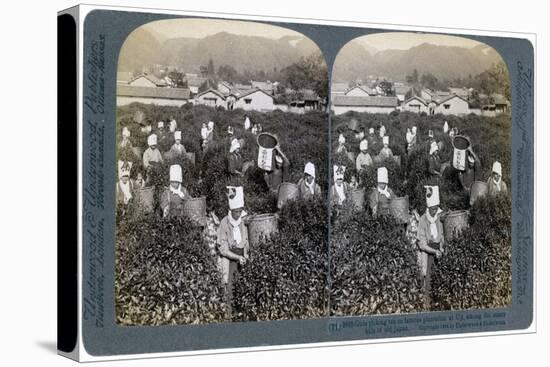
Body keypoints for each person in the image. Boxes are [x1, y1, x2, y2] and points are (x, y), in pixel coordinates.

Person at [217, 186, 249, 311]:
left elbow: (247, 241)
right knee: (230, 286)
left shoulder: (243, 221)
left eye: (240, 211)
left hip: (243, 257)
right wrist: (237, 257)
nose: (238, 214)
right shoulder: (225, 223)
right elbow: (223, 249)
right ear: (231, 210)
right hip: (231, 259)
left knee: (244, 285)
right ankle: (230, 313)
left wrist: (245, 255)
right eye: (236, 212)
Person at [416, 185, 445, 308]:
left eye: (436, 208)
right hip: (428, 253)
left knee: (440, 277)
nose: (434, 211)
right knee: (428, 278)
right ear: (429, 208)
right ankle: (427, 305)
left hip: (438, 250)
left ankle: (439, 304)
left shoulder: (439, 218)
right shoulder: (423, 219)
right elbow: (422, 244)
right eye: (432, 209)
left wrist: (441, 247)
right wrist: (434, 251)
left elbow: (442, 235)